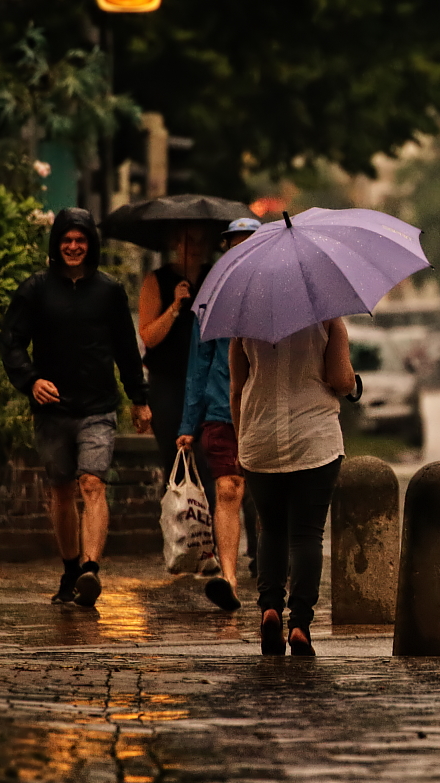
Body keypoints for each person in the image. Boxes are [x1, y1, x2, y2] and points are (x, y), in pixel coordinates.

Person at [0, 208, 151, 609]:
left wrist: (139, 398)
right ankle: (70, 571)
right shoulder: (35, 290)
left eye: (80, 240)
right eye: (66, 240)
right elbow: (11, 342)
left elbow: (125, 348)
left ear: (91, 245)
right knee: (61, 490)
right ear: (56, 244)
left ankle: (91, 569)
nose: (73, 246)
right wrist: (31, 379)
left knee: (92, 483)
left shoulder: (109, 291)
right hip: (52, 409)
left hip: (98, 406)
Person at [231, 316, 358, 655]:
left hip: (259, 439)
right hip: (314, 441)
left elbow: (236, 390)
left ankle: (270, 608)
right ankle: (300, 624)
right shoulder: (329, 319)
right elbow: (341, 380)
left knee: (270, 529)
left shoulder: (244, 321)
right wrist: (354, 383)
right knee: (306, 535)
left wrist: (240, 441)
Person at [176, 218, 260, 611]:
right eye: (234, 245)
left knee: (265, 496)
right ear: (226, 249)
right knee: (228, 489)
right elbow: (197, 364)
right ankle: (228, 578)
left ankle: (271, 571)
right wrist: (187, 424)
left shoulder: (277, 296)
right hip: (221, 408)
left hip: (266, 411)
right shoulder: (209, 299)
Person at [139, 220, 213, 478]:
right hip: (168, 383)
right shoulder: (158, 280)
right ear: (175, 243)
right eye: (189, 239)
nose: (196, 247)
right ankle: (178, 516)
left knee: (207, 461)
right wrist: (174, 307)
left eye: (202, 240)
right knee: (176, 461)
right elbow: (149, 336)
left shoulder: (214, 277)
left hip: (207, 382)